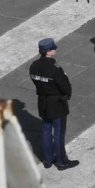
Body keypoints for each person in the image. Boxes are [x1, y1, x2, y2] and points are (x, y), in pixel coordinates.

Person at [30, 37, 76, 169]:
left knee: (45, 131)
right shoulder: (55, 68)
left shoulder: (34, 66)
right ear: (48, 51)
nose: (55, 49)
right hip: (56, 103)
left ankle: (47, 160)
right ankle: (61, 161)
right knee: (59, 133)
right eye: (53, 48)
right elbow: (65, 86)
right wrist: (66, 95)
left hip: (43, 102)